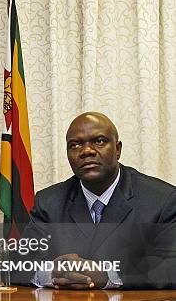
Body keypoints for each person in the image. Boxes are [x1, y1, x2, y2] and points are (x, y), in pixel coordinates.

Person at [18, 112, 176, 289]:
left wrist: (109, 276)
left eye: (99, 141)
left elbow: (170, 267)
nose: (87, 151)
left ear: (118, 149)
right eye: (75, 145)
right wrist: (52, 274)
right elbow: (18, 265)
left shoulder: (162, 199)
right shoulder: (48, 202)